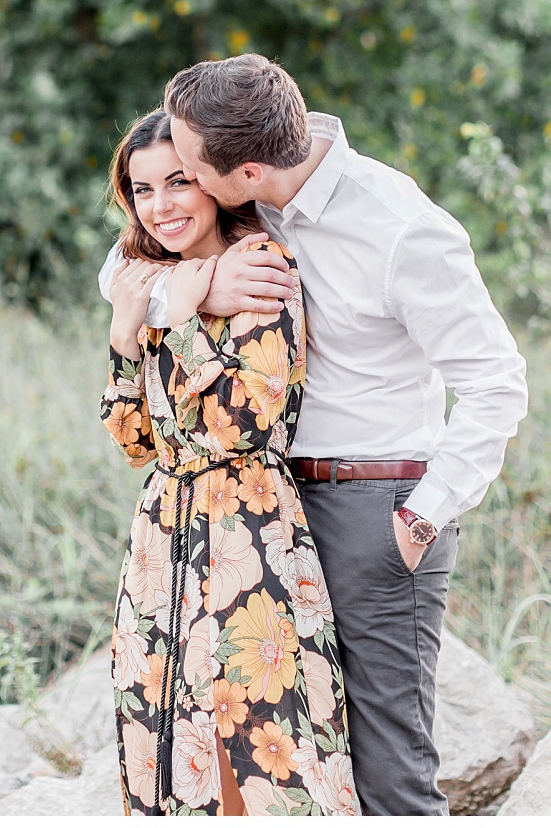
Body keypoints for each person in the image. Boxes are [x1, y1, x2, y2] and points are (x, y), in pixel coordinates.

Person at [99, 56, 529, 816]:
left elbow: (498, 382)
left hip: (377, 505)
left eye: (192, 173)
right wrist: (191, 287)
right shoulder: (249, 196)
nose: (182, 190)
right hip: (269, 517)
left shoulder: (402, 228)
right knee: (293, 748)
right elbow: (124, 265)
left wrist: (422, 517)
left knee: (387, 760)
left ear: (249, 172)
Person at [100, 109, 358, 816]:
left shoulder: (261, 271)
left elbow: (242, 425)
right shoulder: (149, 283)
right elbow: (135, 442)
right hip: (161, 542)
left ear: (215, 184)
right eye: (143, 189)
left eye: (178, 182)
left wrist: (184, 324)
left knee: (257, 734)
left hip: (248, 529)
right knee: (163, 733)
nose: (161, 207)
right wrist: (129, 338)